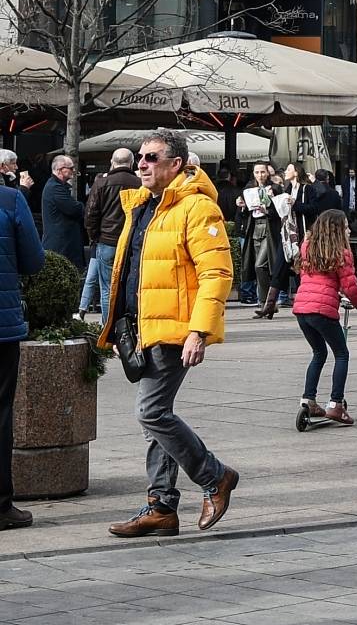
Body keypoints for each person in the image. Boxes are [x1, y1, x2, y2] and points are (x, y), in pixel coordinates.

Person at [98, 129, 239, 539]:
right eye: (140, 158)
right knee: (154, 422)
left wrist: (199, 330)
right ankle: (161, 507)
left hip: (173, 329)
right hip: (141, 330)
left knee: (151, 412)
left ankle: (215, 477)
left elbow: (217, 273)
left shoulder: (196, 207)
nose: (141, 165)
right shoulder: (143, 205)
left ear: (176, 164)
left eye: (151, 158)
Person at [293, 209, 357, 424]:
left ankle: (308, 399)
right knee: (341, 354)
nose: (348, 230)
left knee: (318, 353)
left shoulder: (307, 246)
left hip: (301, 308)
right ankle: (336, 404)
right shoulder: (341, 253)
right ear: (336, 229)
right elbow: (350, 286)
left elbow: (309, 278)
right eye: (345, 226)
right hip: (323, 310)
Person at [0, 180, 44, 529]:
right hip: (1, 326)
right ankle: (1, 505)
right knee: (1, 415)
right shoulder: (10, 199)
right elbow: (33, 261)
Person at [79, 148, 139, 321]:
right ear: (132, 163)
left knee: (107, 288)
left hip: (106, 241)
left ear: (112, 162)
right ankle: (127, 325)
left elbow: (90, 214)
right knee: (129, 285)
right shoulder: (139, 183)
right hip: (130, 242)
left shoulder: (102, 183)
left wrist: (94, 237)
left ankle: (108, 328)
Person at [241, 163, 288, 319]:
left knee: (260, 265)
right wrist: (241, 206)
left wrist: (267, 208)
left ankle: (267, 302)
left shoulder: (275, 188)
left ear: (268, 173)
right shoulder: (249, 188)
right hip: (255, 228)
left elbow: (281, 212)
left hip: (270, 230)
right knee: (259, 267)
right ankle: (266, 304)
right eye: (257, 172)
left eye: (262, 172)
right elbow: (244, 213)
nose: (260, 175)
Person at [41, 155, 86, 270]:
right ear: (60, 170)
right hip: (60, 245)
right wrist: (80, 206)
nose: (74, 170)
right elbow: (74, 209)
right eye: (71, 168)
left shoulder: (57, 186)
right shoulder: (55, 188)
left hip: (63, 244)